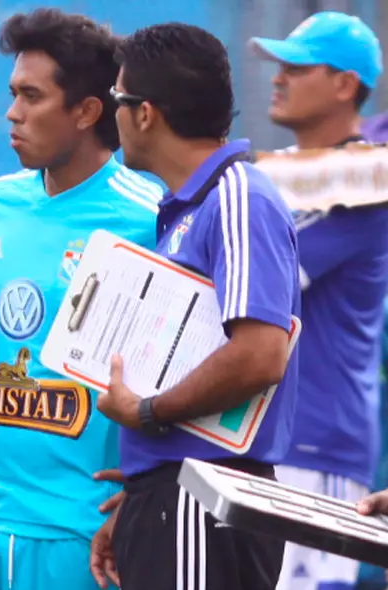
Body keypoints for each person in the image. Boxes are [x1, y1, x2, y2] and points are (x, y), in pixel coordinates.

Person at [0, 8, 161, 590]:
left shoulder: (149, 216)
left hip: (81, 534)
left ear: (86, 112)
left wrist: (147, 484)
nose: (13, 112)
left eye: (31, 96)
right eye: (13, 94)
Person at [92, 23, 299, 590]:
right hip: (179, 493)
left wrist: (148, 412)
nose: (113, 113)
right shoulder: (193, 206)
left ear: (145, 113)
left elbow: (260, 354)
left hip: (203, 492)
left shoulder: (238, 196)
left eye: (116, 98)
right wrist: (144, 487)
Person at [249, 12, 388, 590]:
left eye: (298, 67)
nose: (278, 78)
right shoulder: (289, 173)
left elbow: (258, 281)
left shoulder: (367, 183)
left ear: (344, 84)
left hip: (316, 443)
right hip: (260, 434)